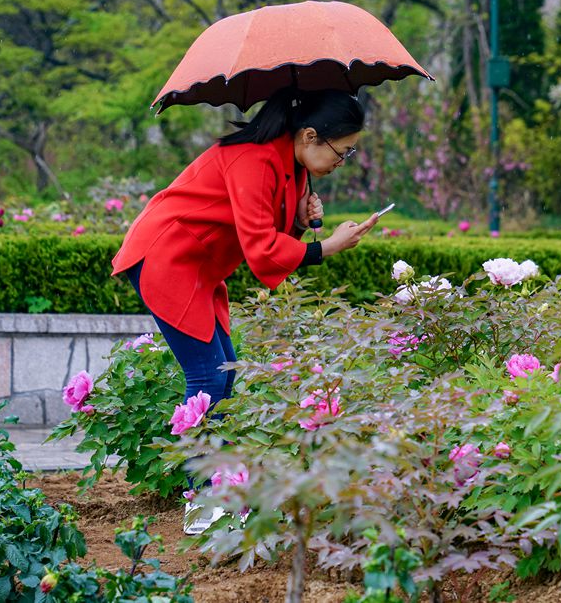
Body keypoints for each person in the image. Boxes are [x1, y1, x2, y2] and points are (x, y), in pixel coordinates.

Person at [111, 87, 379, 533]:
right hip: (168, 258)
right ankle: (202, 503)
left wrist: (304, 218)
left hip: (199, 265)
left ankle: (221, 491)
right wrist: (324, 247)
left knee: (224, 372)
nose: (342, 161)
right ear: (310, 135)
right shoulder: (253, 160)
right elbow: (261, 249)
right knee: (207, 379)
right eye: (342, 151)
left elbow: (267, 225)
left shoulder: (288, 162)